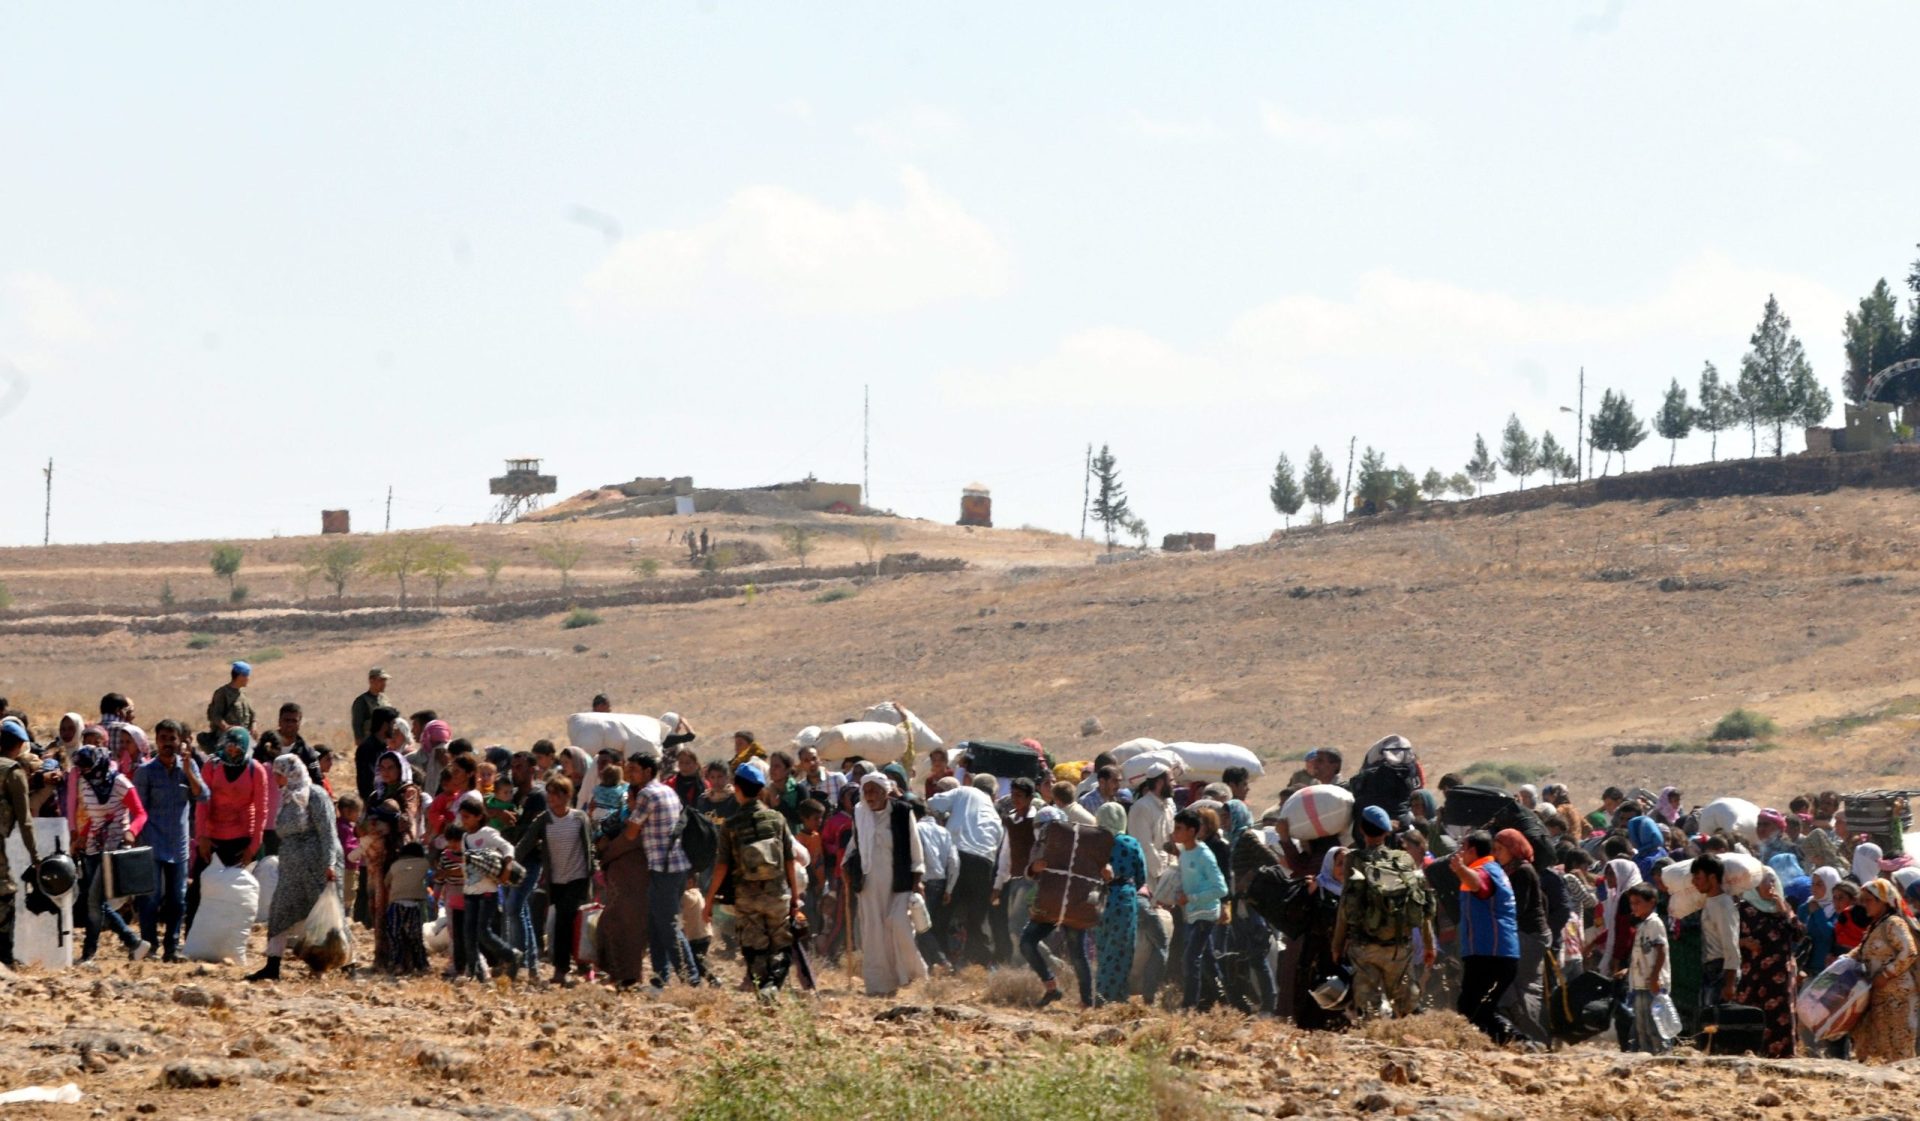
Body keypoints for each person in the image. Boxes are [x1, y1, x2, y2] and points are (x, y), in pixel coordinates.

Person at [704, 762, 801, 996]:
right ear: (760, 790)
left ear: (737, 788)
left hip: (746, 897)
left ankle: (762, 987)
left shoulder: (731, 825)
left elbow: (722, 866)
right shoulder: (776, 819)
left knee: (753, 947)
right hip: (776, 893)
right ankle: (772, 986)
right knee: (781, 944)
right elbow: (790, 860)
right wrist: (794, 897)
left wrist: (709, 900)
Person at [1334, 805, 1436, 1021]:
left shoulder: (1355, 859)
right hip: (1399, 947)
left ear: (1361, 829)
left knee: (1368, 1013)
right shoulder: (1404, 859)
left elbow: (1345, 904)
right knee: (1406, 1011)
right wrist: (1428, 944)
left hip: (1365, 947)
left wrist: (1336, 945)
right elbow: (1420, 903)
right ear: (1387, 832)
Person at [248, 754, 342, 981]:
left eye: (279, 775)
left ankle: (344, 964)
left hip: (316, 867)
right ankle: (272, 965)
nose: (276, 780)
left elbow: (328, 832)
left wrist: (329, 863)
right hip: (291, 869)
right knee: (280, 912)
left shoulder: (316, 795)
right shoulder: (288, 797)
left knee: (324, 919)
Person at [847, 772, 927, 997]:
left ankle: (914, 975)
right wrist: (846, 866)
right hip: (869, 883)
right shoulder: (859, 814)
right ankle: (879, 985)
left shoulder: (902, 812)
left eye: (874, 791)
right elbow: (855, 845)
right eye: (866, 791)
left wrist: (917, 882)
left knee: (900, 927)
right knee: (874, 933)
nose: (869, 795)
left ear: (885, 792)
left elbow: (915, 847)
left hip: (898, 882)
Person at [132, 719, 205, 963]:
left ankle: (171, 948)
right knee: (150, 898)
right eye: (163, 738)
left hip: (179, 844)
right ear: (156, 740)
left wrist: (187, 771)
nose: (167, 744)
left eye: (172, 738)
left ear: (180, 741)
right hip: (152, 842)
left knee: (177, 899)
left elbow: (203, 795)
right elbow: (138, 811)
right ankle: (149, 946)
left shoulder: (189, 766)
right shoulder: (145, 772)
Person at [626, 753, 698, 989]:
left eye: (634, 769)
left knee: (668, 927)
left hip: (665, 869)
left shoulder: (647, 794)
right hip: (675, 867)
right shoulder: (668, 790)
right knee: (656, 924)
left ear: (647, 772)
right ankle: (659, 980)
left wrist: (629, 810)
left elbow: (631, 832)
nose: (629, 773)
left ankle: (691, 981)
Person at [515, 773, 594, 985]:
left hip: (577, 879)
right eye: (549, 794)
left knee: (565, 921)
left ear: (567, 795)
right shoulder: (544, 820)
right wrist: (510, 862)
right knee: (565, 923)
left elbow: (589, 847)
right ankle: (572, 967)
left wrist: (593, 872)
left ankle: (563, 969)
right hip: (556, 881)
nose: (551, 798)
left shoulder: (579, 818)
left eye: (556, 794)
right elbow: (526, 843)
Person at [926, 777, 1004, 966]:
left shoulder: (964, 792)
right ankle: (981, 963)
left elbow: (933, 802)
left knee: (943, 914)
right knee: (975, 919)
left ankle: (942, 961)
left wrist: (944, 816)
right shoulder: (995, 816)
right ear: (994, 796)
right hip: (984, 864)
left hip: (958, 856)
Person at [1451, 830, 1520, 1042]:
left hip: (1489, 954)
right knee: (1479, 1008)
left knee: (1471, 1008)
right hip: (1497, 954)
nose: (1460, 853)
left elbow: (1478, 885)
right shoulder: (1495, 870)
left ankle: (1518, 1040)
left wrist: (1461, 869)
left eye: (1463, 848)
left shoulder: (1484, 871)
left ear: (1472, 851)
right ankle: (1508, 1043)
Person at [1734, 866, 1802, 1057]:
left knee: (1780, 1015)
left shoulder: (1782, 907)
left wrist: (1784, 911)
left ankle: (1784, 1056)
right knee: (1754, 1014)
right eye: (1766, 881)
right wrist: (1744, 942)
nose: (1771, 885)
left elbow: (1798, 934)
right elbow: (1730, 939)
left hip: (1780, 974)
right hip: (1754, 973)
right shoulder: (1744, 909)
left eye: (1773, 881)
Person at [1850, 878, 1919, 1062]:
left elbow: (1909, 951)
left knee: (1900, 1047)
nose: (1864, 905)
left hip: (1899, 997)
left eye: (1868, 900)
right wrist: (1845, 960)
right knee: (1883, 1048)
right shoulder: (1876, 925)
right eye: (1862, 900)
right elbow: (1864, 950)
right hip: (1880, 996)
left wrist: (1886, 974)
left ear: (1883, 901)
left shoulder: (1894, 923)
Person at [1493, 828, 1551, 1044]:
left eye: (1500, 849)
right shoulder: (1510, 870)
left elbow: (1517, 908)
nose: (1497, 854)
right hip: (1523, 935)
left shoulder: (1522, 871)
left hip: (1529, 936)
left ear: (1513, 849)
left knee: (1523, 987)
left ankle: (1536, 1039)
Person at [456, 792, 518, 982]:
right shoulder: (465, 838)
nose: (463, 821)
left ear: (479, 817)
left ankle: (510, 954)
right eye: (462, 816)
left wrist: (507, 866)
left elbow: (507, 848)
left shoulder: (488, 833)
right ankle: (478, 975)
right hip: (471, 891)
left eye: (467, 817)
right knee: (469, 935)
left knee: (483, 932)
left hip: (488, 891)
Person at [1173, 808, 1229, 1011]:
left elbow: (1221, 888)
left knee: (1190, 958)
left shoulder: (1204, 854)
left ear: (1191, 831)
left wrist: (1192, 897)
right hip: (1192, 913)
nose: (1175, 832)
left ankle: (1189, 1006)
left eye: (1179, 828)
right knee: (1207, 961)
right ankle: (1225, 1004)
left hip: (1205, 913)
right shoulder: (1185, 854)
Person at [0, 718, 42, 967]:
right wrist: (36, 857)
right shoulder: (13, 772)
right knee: (6, 893)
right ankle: (4, 958)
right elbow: (26, 821)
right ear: (19, 745)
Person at [1094, 801, 1145, 1005]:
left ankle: (1100, 991)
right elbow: (1142, 876)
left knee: (1103, 946)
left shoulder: (1095, 842)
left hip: (1099, 897)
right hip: (1123, 897)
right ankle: (1111, 996)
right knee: (1121, 948)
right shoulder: (1130, 843)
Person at [1622, 882, 1670, 1054]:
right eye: (1632, 903)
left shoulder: (1654, 923)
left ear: (1651, 902)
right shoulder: (1642, 925)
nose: (1633, 907)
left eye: (1637, 902)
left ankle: (1662, 1056)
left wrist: (1655, 977)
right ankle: (1648, 1056)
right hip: (1641, 984)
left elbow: (1661, 951)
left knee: (1656, 1025)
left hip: (1653, 984)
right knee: (1642, 1026)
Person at [1691, 854, 1741, 1015]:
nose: (1694, 882)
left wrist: (1730, 983)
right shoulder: (1710, 902)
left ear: (1712, 878)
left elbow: (1730, 944)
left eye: (1698, 878)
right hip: (1711, 970)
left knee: (1716, 1025)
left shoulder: (1722, 905)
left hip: (1721, 972)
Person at [912, 796, 957, 972]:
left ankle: (941, 963)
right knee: (933, 926)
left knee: (921, 927)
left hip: (923, 883)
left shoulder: (915, 829)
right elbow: (954, 861)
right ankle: (932, 966)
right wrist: (949, 888)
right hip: (941, 883)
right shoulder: (944, 831)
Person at [384, 840, 431, 975]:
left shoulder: (395, 865)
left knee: (395, 937)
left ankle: (397, 964)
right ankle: (421, 965)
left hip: (395, 905)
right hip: (413, 905)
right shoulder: (424, 863)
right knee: (415, 937)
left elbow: (386, 882)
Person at [207, 661, 255, 738]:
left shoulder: (243, 695)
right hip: (227, 738)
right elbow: (215, 716)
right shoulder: (222, 693)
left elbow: (252, 715)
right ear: (240, 676)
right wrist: (227, 728)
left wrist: (253, 727)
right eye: (247, 676)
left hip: (244, 737)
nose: (248, 679)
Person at [352, 669, 390, 746]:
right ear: (371, 680)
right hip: (370, 744)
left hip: (385, 743)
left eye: (385, 680)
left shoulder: (385, 700)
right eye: (381, 680)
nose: (384, 683)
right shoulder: (362, 701)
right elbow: (357, 725)